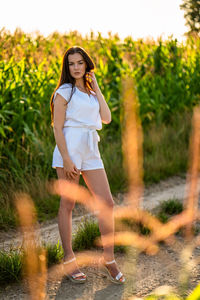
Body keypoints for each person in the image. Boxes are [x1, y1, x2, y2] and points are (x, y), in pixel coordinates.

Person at [50, 46, 125, 284]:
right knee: (68, 204)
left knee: (107, 203)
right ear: (67, 67)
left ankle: (109, 258)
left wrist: (98, 87)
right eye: (71, 64)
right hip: (70, 148)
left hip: (91, 148)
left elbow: (106, 117)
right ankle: (69, 259)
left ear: (86, 65)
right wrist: (67, 158)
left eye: (80, 63)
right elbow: (57, 129)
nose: (75, 67)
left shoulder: (92, 93)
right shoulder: (64, 92)